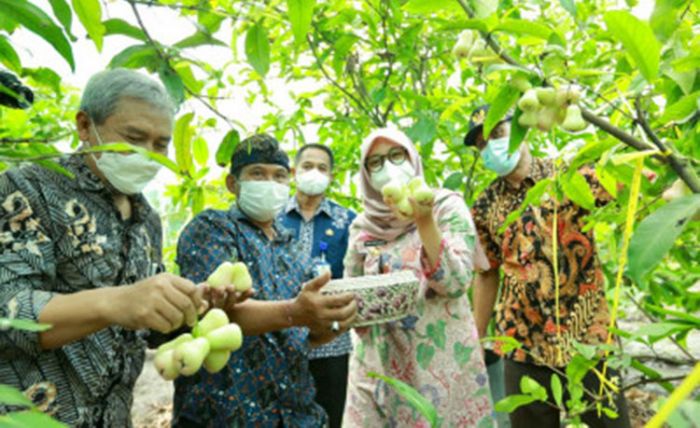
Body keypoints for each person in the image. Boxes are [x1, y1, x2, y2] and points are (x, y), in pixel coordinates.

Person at [0, 68, 204, 426]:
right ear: (84, 126)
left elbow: (141, 327)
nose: (148, 155)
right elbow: (7, 313)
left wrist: (189, 306)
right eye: (134, 137)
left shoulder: (147, 220)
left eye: (160, 145)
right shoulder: (27, 189)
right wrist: (115, 302)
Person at [173, 134, 358, 427]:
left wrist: (327, 325)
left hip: (295, 412)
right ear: (233, 184)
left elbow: (299, 337)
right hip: (225, 412)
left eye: (279, 176)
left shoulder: (292, 247)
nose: (270, 183)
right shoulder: (213, 229)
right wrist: (295, 312)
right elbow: (210, 314)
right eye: (258, 173)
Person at [466, 105, 631, 428]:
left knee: (609, 422)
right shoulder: (484, 206)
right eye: (483, 145)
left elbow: (627, 185)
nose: (491, 147)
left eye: (497, 133)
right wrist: (477, 336)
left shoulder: (568, 176)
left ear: (522, 129)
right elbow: (487, 273)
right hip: (523, 345)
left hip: (587, 337)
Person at [342, 127, 493, 427]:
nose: (387, 167)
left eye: (396, 155)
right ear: (366, 173)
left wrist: (424, 221)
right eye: (375, 162)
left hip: (440, 363)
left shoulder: (446, 206)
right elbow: (351, 295)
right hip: (378, 365)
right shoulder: (363, 228)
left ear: (412, 158)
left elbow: (455, 283)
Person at [279, 143, 357, 428]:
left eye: (322, 168)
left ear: (332, 176)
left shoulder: (348, 221)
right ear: (293, 172)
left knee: (329, 418)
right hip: (279, 338)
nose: (314, 172)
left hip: (331, 343)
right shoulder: (272, 216)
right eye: (307, 166)